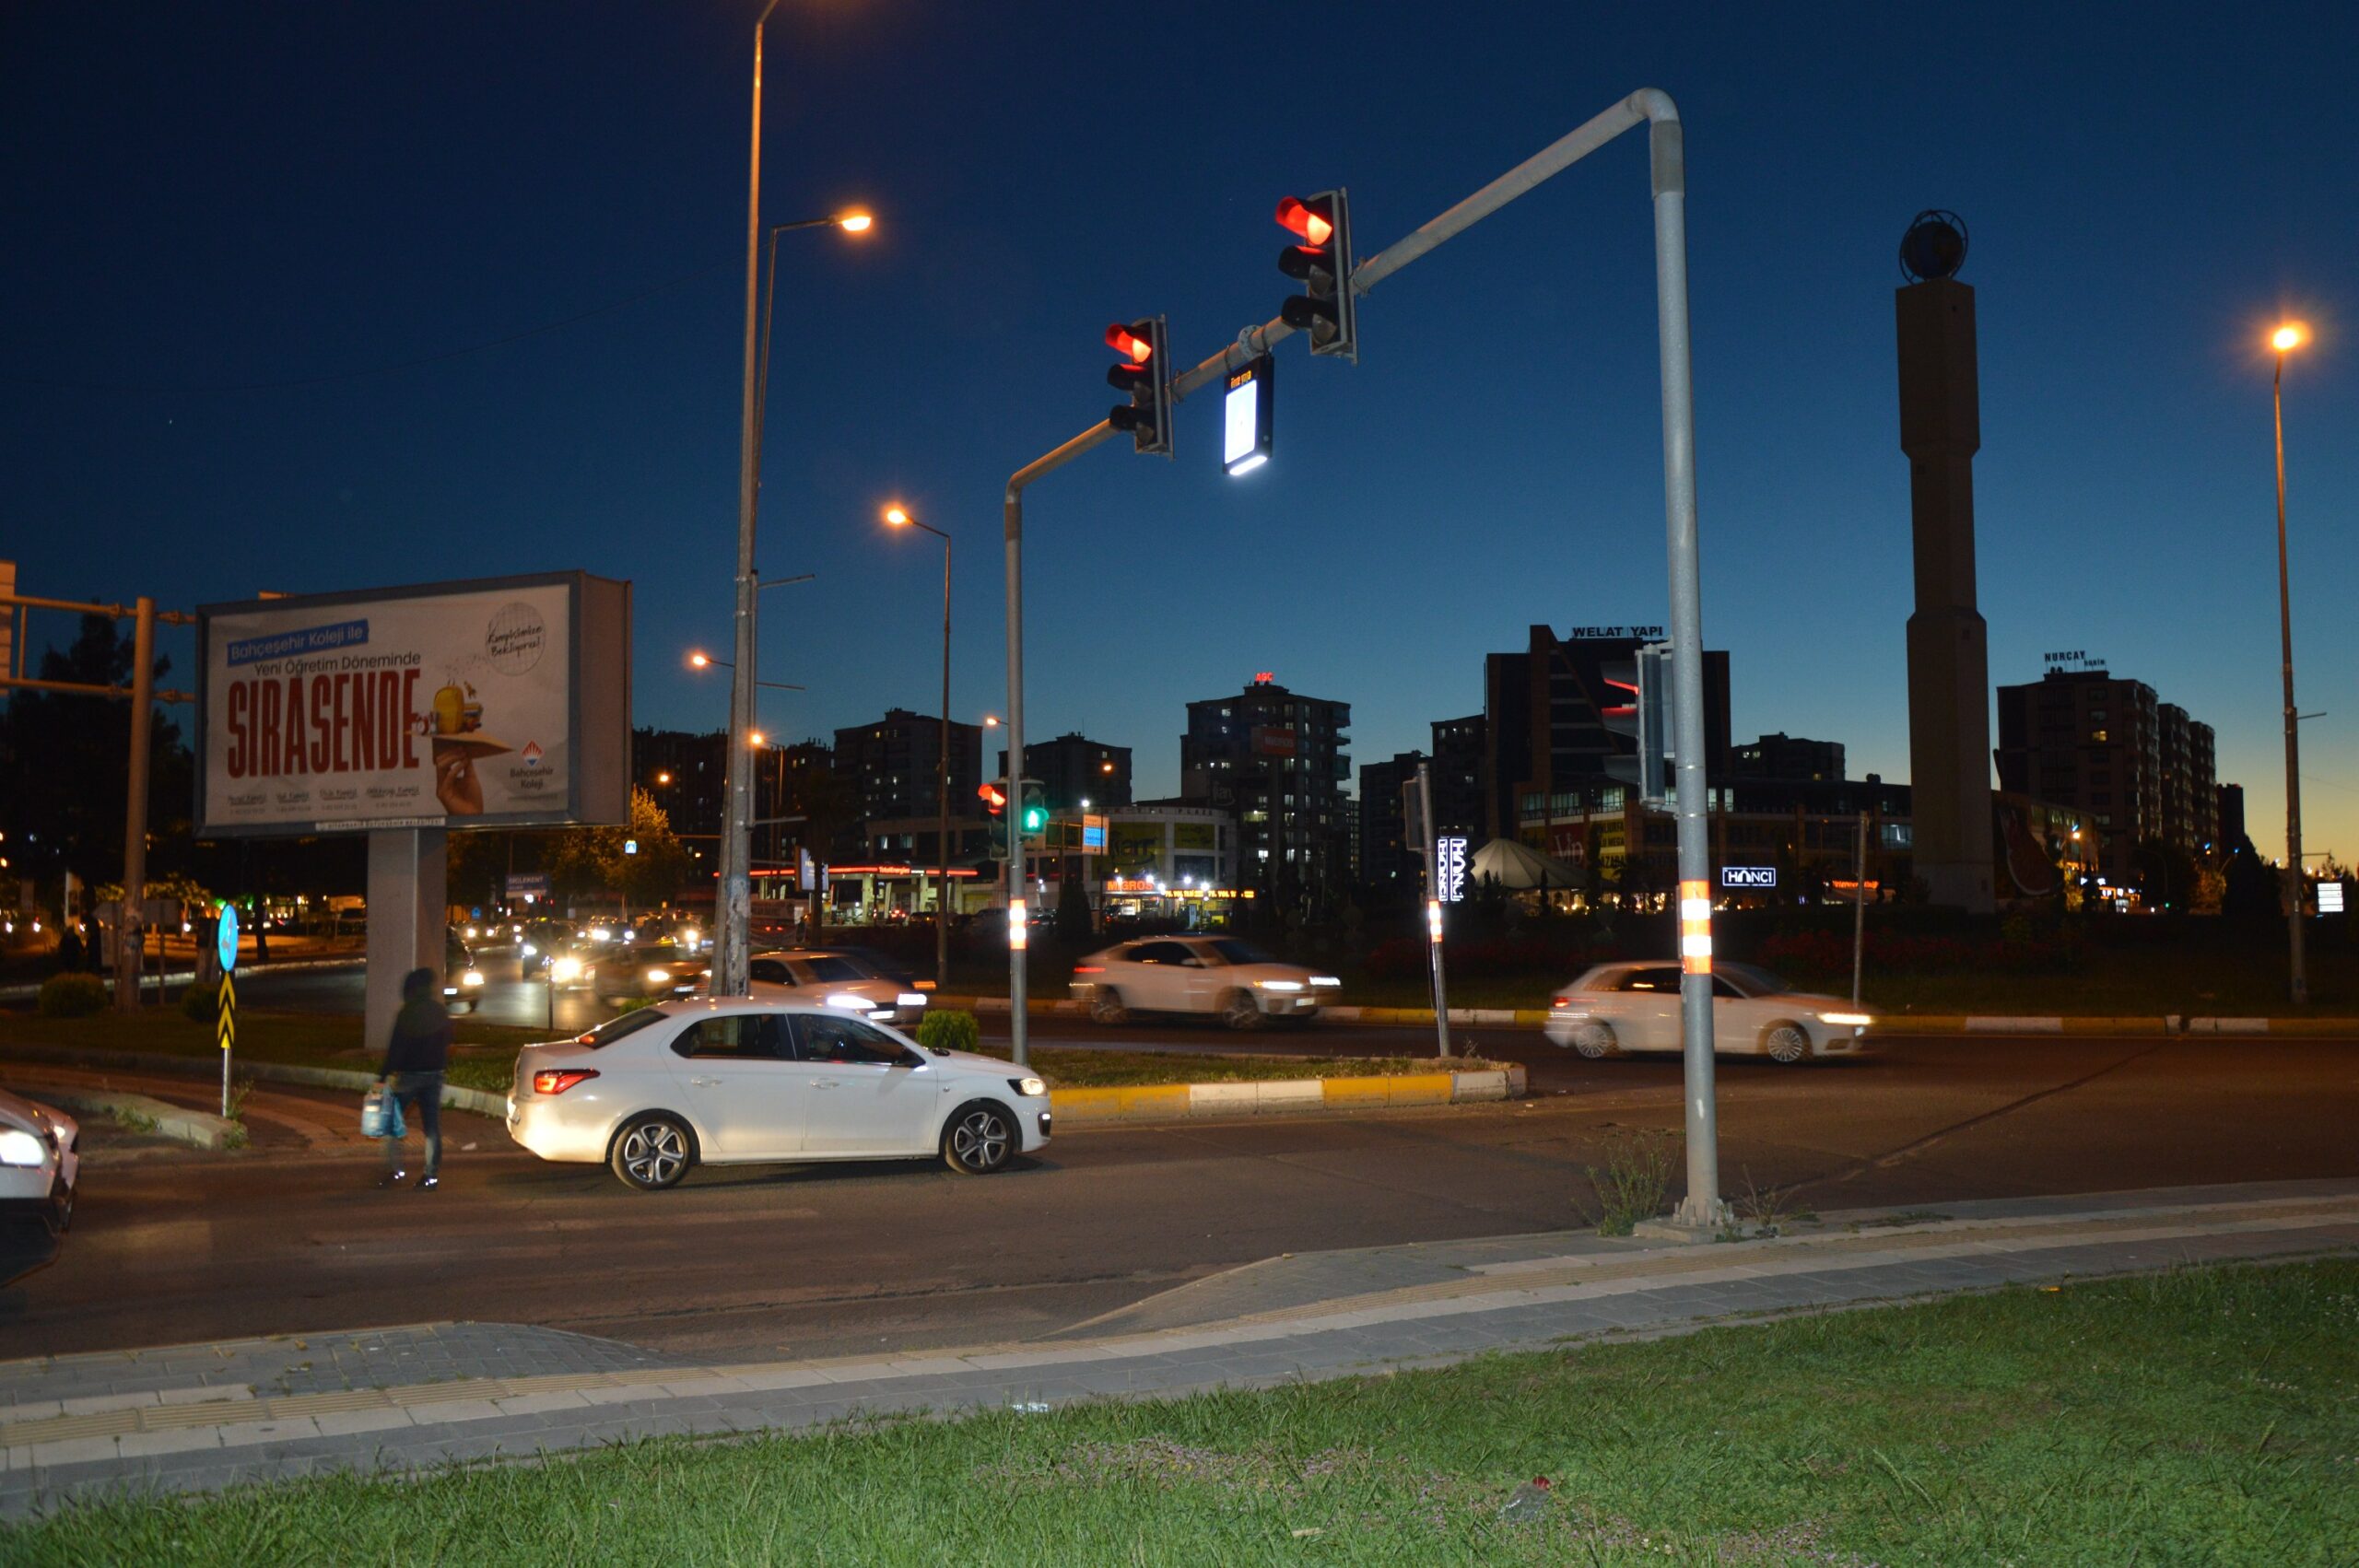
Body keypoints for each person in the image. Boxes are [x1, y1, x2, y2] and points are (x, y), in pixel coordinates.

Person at [377, 966, 452, 1190]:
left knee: (391, 1125)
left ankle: (397, 1170)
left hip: (409, 1077)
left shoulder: (407, 1013)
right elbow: (448, 1040)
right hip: (434, 1076)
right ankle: (430, 1176)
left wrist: (383, 1076)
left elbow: (395, 1049)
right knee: (431, 1128)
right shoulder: (440, 1011)